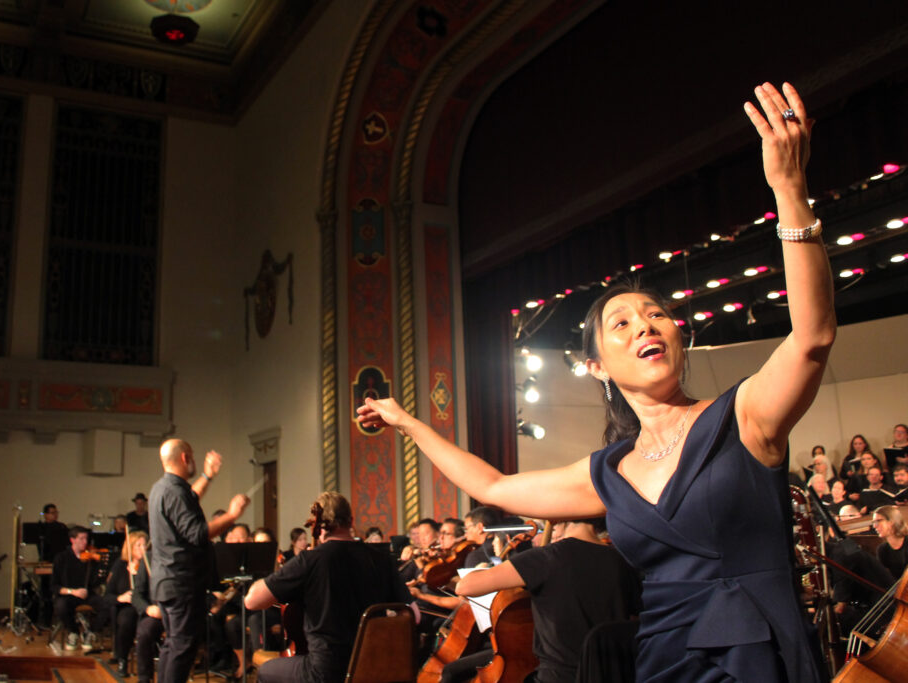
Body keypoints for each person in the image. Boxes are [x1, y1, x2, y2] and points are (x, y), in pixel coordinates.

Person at [359, 82, 831, 681]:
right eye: (622, 322)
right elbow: (496, 485)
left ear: (679, 338)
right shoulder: (608, 474)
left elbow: (812, 335)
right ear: (598, 366)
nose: (645, 326)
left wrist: (790, 190)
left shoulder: (742, 417)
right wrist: (406, 422)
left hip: (758, 658)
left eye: (657, 315)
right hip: (661, 661)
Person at [245, 492, 412, 683]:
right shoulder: (382, 559)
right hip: (374, 668)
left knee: (267, 671)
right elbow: (411, 614)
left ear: (319, 526)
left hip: (325, 671)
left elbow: (252, 601)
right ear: (351, 521)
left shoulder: (310, 560)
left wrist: (265, 580)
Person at [456, 518, 642, 682]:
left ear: (561, 518)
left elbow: (465, 587)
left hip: (557, 676)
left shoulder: (549, 557)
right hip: (612, 674)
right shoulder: (624, 561)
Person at [149, 438, 249, 683]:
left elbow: (191, 496)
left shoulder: (163, 488)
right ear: (185, 458)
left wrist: (208, 475)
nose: (193, 460)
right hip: (181, 583)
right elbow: (198, 534)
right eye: (192, 455)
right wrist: (232, 514)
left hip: (168, 582)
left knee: (173, 646)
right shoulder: (174, 491)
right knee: (182, 648)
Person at [51, 526, 109, 650]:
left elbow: (95, 583)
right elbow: (54, 586)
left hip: (87, 594)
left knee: (107, 606)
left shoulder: (90, 558)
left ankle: (90, 632)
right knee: (61, 606)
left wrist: (101, 568)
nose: (85, 542)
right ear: (72, 540)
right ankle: (73, 632)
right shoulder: (61, 558)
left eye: (86, 538)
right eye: (81, 538)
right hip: (68, 595)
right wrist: (73, 591)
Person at [105, 531, 147, 676]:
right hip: (127, 607)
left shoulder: (149, 565)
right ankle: (123, 660)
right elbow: (108, 595)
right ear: (130, 548)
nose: (143, 549)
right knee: (126, 621)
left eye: (144, 545)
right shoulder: (120, 565)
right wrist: (121, 598)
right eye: (138, 545)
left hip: (146, 606)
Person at [130, 533, 164, 683]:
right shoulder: (148, 559)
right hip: (155, 612)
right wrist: (148, 609)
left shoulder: (184, 558)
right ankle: (144, 678)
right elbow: (136, 595)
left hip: (177, 613)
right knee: (144, 632)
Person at [872, 505, 908, 580]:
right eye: (874, 522)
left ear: (891, 521)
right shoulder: (882, 549)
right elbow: (885, 578)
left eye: (878, 521)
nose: (875, 526)